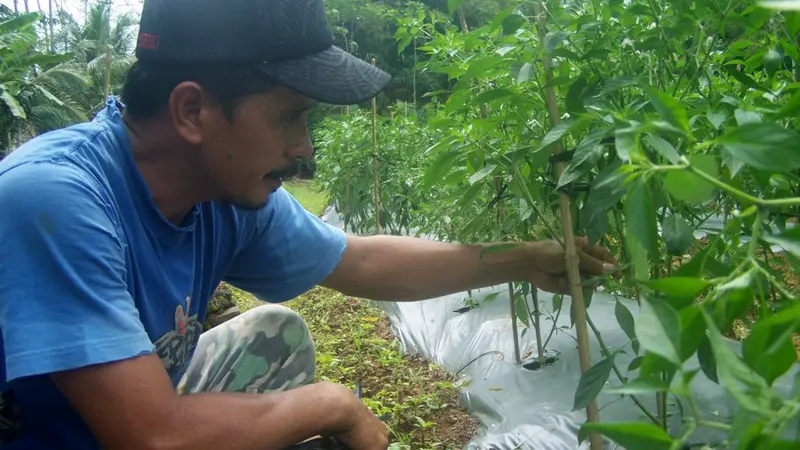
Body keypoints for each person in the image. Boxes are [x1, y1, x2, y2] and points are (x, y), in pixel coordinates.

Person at [0, 0, 619, 449]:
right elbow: (151, 435)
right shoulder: (54, 200)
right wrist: (332, 404)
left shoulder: (223, 194)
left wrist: (520, 258)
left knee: (275, 335)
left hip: (125, 416)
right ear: (192, 110)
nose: (305, 149)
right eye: (290, 117)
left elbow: (364, 261)